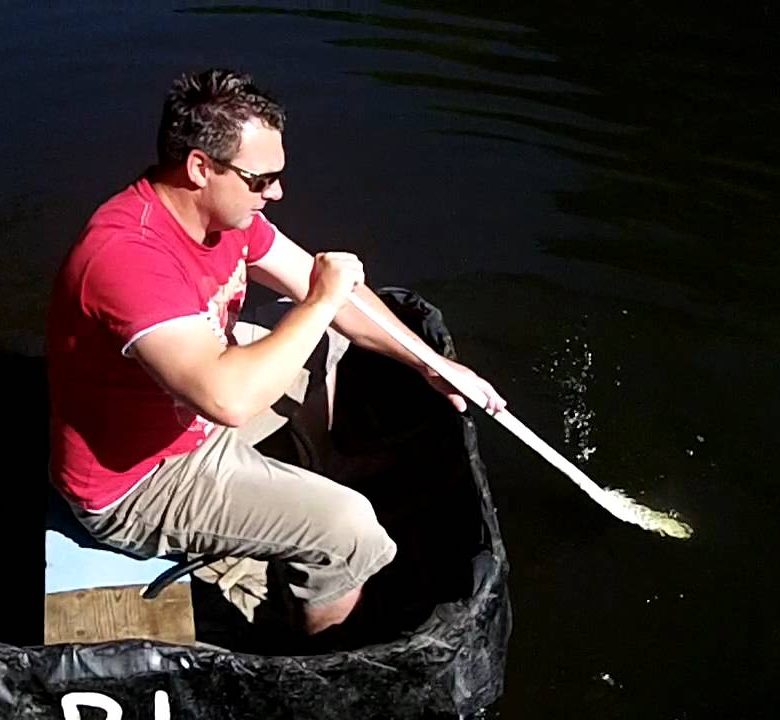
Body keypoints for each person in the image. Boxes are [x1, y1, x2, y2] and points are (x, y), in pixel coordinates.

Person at [46, 68, 505, 636]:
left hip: (185, 413)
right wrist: (317, 302)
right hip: (137, 482)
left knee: (324, 342)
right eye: (262, 180)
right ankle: (319, 661)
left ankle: (322, 469)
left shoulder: (227, 218)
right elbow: (229, 399)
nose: (277, 194)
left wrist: (430, 364)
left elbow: (338, 301)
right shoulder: (127, 256)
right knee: (351, 531)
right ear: (199, 168)